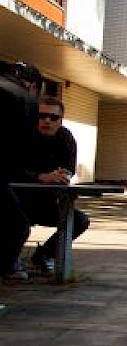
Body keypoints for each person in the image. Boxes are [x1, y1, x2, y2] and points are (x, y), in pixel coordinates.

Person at [14, 96, 90, 274]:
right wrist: (41, 177)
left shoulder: (65, 138)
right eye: (42, 116)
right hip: (18, 202)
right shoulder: (23, 136)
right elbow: (14, 169)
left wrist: (62, 176)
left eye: (53, 117)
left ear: (60, 120)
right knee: (17, 224)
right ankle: (9, 261)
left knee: (79, 221)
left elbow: (69, 168)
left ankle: (43, 255)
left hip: (45, 203)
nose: (47, 121)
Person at [1, 61, 43, 281]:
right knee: (16, 226)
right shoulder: (22, 98)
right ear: (33, 86)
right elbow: (22, 149)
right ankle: (7, 270)